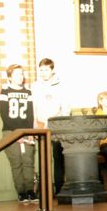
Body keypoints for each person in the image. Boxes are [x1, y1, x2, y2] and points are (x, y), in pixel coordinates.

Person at [31, 58, 69, 194]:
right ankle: (44, 190)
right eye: (41, 70)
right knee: (43, 158)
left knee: (58, 158)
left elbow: (65, 107)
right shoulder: (35, 86)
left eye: (46, 70)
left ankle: (59, 189)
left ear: (52, 70)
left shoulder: (60, 85)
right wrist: (35, 123)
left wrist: (61, 122)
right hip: (41, 125)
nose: (43, 73)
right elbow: (34, 107)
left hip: (57, 125)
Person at [0, 64, 36, 203]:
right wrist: (16, 133)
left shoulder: (28, 92)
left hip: (26, 131)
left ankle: (30, 191)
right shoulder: (5, 91)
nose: (21, 76)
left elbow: (30, 114)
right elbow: (4, 114)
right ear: (9, 77)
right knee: (16, 163)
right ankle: (21, 192)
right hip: (10, 131)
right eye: (17, 74)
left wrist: (29, 132)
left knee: (28, 161)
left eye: (22, 73)